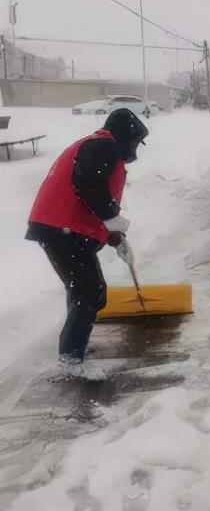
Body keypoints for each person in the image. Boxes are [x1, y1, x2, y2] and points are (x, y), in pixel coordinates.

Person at [26, 108, 148, 376]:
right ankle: (71, 359)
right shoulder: (104, 145)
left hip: (62, 228)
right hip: (62, 228)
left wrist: (114, 237)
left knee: (82, 289)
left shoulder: (100, 146)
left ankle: (73, 349)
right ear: (126, 137)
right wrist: (111, 218)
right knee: (90, 291)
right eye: (136, 142)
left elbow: (91, 197)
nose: (136, 149)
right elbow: (89, 184)